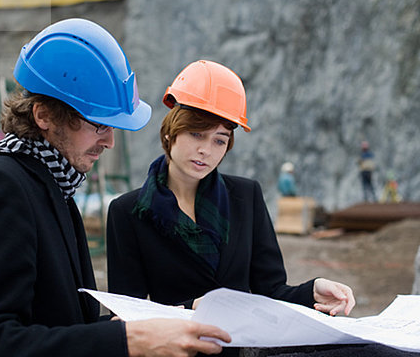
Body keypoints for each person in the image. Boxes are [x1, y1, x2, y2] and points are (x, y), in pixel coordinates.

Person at [0, 19, 230, 357]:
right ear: (44, 116)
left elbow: (64, 326)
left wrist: (167, 318)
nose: (109, 141)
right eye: (98, 125)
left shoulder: (52, 187)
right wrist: (129, 342)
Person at [106, 61, 355, 352]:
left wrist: (313, 289)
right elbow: (128, 315)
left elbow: (271, 291)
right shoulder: (128, 212)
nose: (206, 150)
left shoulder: (246, 196)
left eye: (219, 140)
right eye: (196, 134)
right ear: (170, 133)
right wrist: (190, 308)